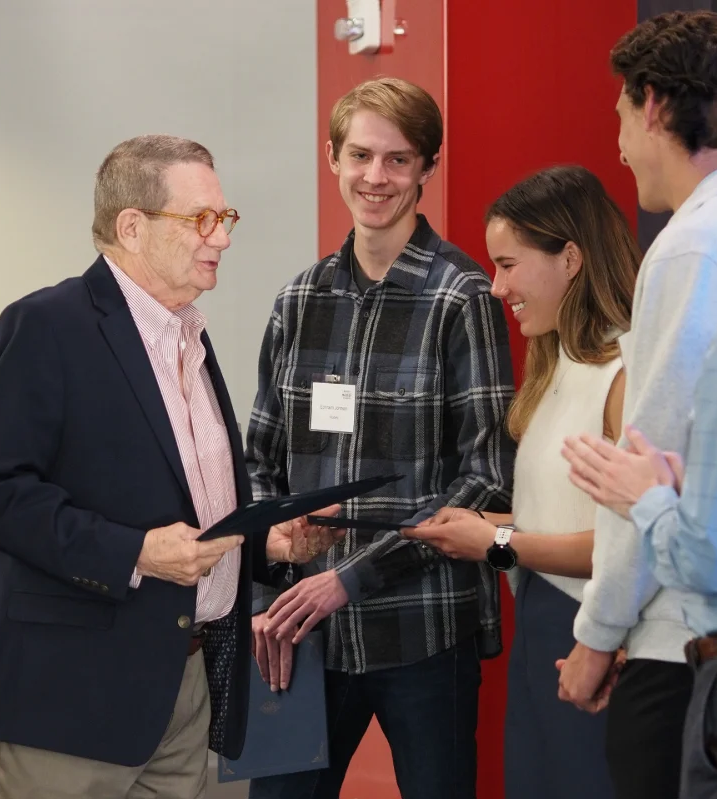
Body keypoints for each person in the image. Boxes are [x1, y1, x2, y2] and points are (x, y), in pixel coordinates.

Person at [0, 135, 341, 800]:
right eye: (202, 219)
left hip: (183, 686)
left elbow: (190, 503)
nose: (221, 238)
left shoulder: (189, 337)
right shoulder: (45, 326)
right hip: (64, 704)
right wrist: (135, 553)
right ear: (132, 227)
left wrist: (264, 543)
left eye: (223, 219)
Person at [246, 77, 515, 800]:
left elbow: (488, 477)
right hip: (303, 632)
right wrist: (278, 537)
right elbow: (259, 461)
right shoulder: (299, 301)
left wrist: (353, 577)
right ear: (332, 157)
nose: (376, 177)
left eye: (399, 160)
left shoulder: (462, 299)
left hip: (423, 630)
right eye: (361, 155)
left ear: (428, 168)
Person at [555, 11, 717, 800]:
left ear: (650, 104)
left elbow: (642, 465)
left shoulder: (694, 244)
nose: (616, 143)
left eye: (617, 114)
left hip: (691, 637)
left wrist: (598, 636)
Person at [406, 165, 639, 800]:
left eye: (508, 264)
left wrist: (498, 542)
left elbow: (622, 545)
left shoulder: (626, 373)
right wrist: (489, 528)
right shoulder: (553, 364)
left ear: (569, 259)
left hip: (592, 638)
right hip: (539, 630)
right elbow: (556, 523)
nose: (495, 285)